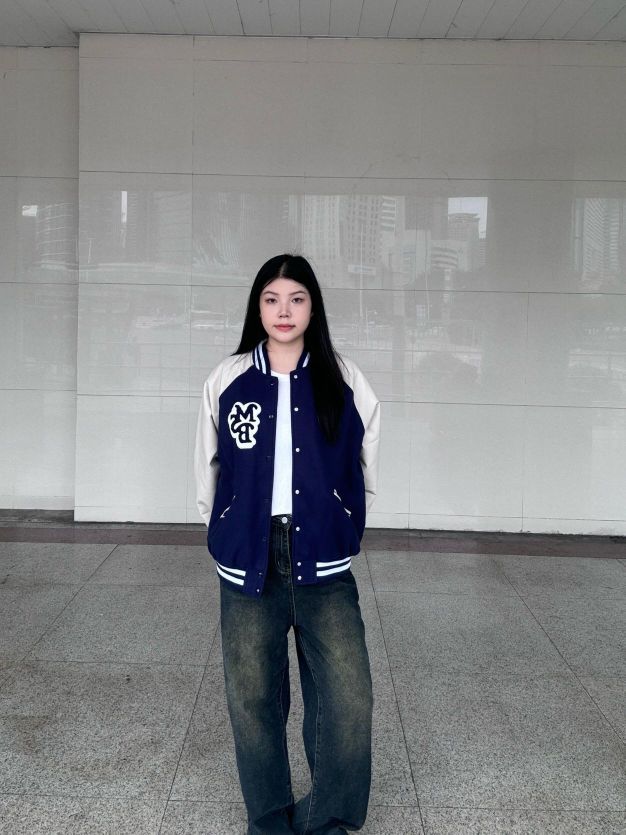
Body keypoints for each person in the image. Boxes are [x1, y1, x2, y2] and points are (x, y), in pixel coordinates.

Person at [194, 253, 381, 835]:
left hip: (323, 559)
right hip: (249, 557)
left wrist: (346, 522)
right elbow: (208, 467)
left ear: (313, 308)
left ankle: (328, 820)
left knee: (348, 697)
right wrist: (223, 528)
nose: (284, 310)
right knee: (253, 700)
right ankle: (270, 819)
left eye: (297, 298)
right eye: (272, 299)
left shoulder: (344, 378)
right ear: (257, 308)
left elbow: (366, 461)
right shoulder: (228, 378)